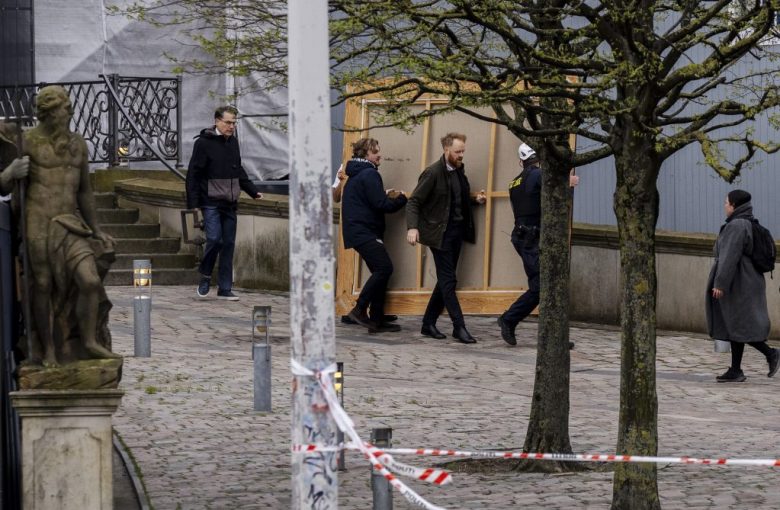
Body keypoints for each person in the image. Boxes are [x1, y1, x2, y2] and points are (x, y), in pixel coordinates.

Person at [7, 85, 119, 365]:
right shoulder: (27, 141)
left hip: (70, 223)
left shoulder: (78, 143)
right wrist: (10, 172)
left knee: (90, 281)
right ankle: (48, 350)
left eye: (69, 106)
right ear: (47, 112)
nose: (69, 111)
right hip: (38, 222)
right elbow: (4, 184)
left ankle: (90, 340)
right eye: (62, 107)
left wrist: (96, 229)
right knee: (42, 285)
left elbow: (84, 193)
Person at [406, 133, 486, 344]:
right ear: (446, 150)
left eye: (463, 151)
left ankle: (428, 323)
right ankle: (459, 327)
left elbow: (454, 198)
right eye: (458, 151)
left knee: (445, 280)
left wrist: (475, 199)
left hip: (456, 233)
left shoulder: (459, 170)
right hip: (438, 234)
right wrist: (412, 228)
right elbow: (414, 201)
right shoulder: (432, 173)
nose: (461, 155)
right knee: (449, 280)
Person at [497, 143, 578, 348]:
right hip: (533, 238)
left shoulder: (514, 182)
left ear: (521, 161)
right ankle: (510, 319)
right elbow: (556, 200)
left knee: (545, 285)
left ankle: (553, 336)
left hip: (524, 237)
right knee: (543, 286)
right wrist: (567, 184)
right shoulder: (540, 175)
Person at [186, 106, 262, 301]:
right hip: (210, 201)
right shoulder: (203, 143)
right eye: (228, 122)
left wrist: (253, 191)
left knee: (228, 244)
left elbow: (238, 170)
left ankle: (224, 288)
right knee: (214, 239)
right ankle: (205, 274)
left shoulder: (233, 143)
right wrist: (193, 202)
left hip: (230, 201)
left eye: (234, 123)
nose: (231, 126)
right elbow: (193, 174)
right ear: (217, 121)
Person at [706, 189, 779, 382]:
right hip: (747, 281)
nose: (724, 206)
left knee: (741, 324)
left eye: (726, 202)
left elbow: (729, 257)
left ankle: (771, 353)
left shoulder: (737, 225)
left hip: (739, 283)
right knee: (736, 323)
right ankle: (736, 370)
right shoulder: (747, 222)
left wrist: (720, 283)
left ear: (734, 206)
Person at [341, 138, 407, 333]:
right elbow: (382, 205)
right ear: (365, 154)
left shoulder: (359, 173)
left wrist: (382, 194)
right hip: (364, 231)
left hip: (359, 231)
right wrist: (402, 199)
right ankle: (359, 309)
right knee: (384, 269)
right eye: (375, 151)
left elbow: (369, 199)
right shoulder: (369, 174)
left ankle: (376, 319)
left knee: (380, 272)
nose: (379, 155)